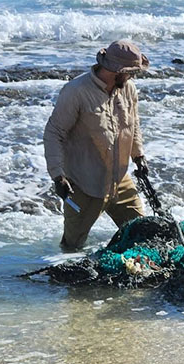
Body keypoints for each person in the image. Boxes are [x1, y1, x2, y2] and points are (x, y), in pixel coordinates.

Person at [43, 40, 151, 251]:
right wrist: (58, 176)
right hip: (84, 185)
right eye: (130, 72)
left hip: (120, 179)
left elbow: (133, 124)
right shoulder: (76, 91)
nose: (132, 77)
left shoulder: (128, 89)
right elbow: (54, 133)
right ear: (117, 71)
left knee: (141, 234)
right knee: (71, 248)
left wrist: (138, 155)